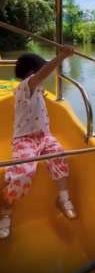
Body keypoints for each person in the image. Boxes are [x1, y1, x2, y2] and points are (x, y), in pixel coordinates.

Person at [0, 48, 76, 239]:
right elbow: (43, 73)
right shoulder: (25, 86)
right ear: (31, 72)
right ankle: (5, 209)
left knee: (59, 156)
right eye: (39, 71)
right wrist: (62, 56)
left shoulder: (37, 89)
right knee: (24, 172)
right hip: (25, 139)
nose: (44, 77)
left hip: (44, 136)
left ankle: (63, 199)